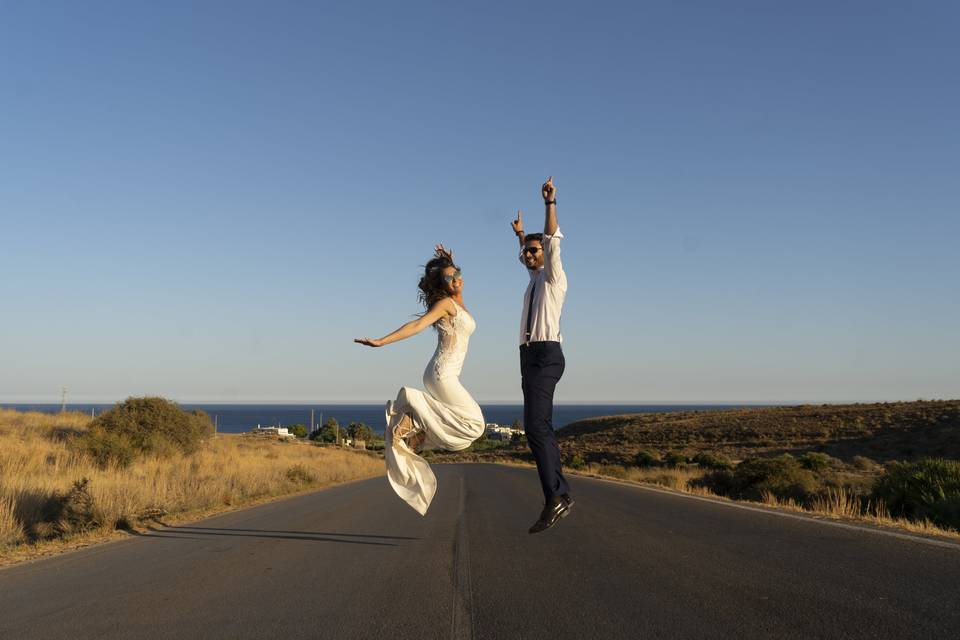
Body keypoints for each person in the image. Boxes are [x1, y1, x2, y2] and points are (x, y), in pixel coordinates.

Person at [354, 245, 485, 515]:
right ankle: (414, 420)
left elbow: (452, 280)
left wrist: (449, 263)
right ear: (442, 286)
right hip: (442, 373)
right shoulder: (446, 304)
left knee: (465, 437)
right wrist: (381, 341)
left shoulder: (456, 300)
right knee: (476, 425)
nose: (456, 279)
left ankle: (418, 432)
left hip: (444, 373)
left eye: (457, 274)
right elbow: (416, 325)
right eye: (450, 278)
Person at [510, 176, 574, 534]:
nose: (530, 255)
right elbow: (529, 250)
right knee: (539, 427)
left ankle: (557, 496)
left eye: (535, 251)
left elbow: (550, 241)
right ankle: (559, 493)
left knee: (535, 427)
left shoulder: (553, 277)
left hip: (545, 354)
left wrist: (549, 203)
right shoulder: (533, 279)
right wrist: (520, 237)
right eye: (526, 252)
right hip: (530, 356)